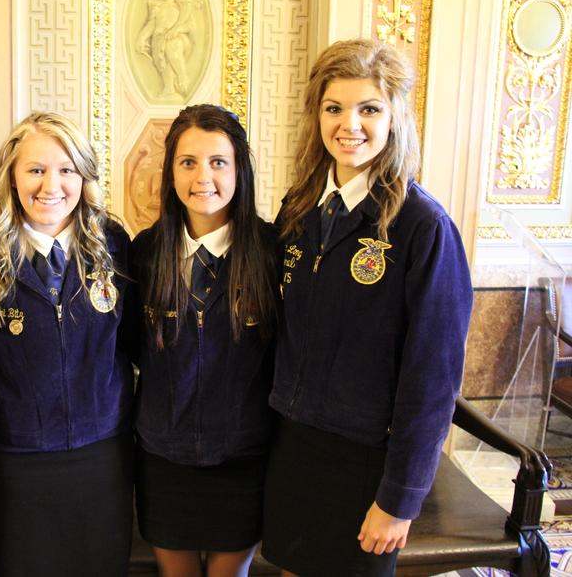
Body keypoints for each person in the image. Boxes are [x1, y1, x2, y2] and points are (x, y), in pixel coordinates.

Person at [261, 39, 473, 576]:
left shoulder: (423, 228)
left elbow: (433, 377)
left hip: (367, 460)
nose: (348, 124)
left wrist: (400, 498)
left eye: (369, 109)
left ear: (396, 116)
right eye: (334, 108)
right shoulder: (301, 207)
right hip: (295, 445)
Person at [0, 111, 133, 576]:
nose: (52, 184)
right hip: (15, 457)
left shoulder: (113, 243)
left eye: (66, 169)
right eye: (36, 169)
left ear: (84, 176)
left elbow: (131, 345)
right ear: (12, 175)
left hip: (100, 451)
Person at [129, 104, 279, 577]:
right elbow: (133, 348)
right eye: (188, 162)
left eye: (218, 162)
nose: (203, 177)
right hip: (163, 456)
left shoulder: (271, 251)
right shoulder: (145, 252)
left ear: (239, 170)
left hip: (242, 456)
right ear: (171, 170)